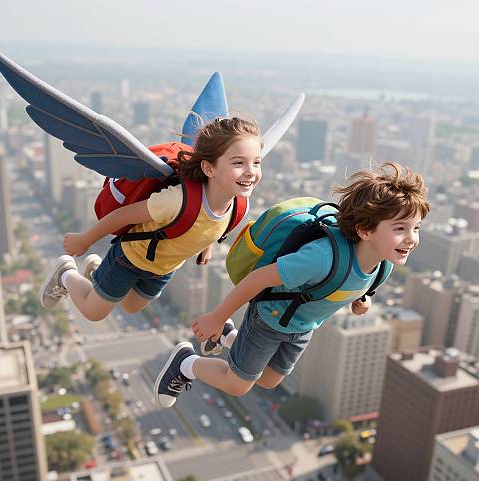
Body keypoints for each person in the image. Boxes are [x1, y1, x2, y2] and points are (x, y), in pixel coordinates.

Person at [154, 163, 430, 407]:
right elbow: (257, 279)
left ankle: (229, 337)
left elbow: (358, 286)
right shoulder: (320, 259)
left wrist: (362, 301)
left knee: (270, 380)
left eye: (415, 228)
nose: (411, 239)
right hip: (270, 318)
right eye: (399, 228)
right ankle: (186, 364)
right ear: (365, 230)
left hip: (301, 328)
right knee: (238, 384)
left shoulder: (384, 263)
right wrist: (217, 316)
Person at [39, 117, 262, 321]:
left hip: (164, 267)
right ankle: (66, 273)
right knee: (93, 312)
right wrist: (85, 240)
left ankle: (97, 274)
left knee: (132, 306)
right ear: (208, 168)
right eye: (238, 163)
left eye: (256, 162)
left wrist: (207, 245)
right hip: (130, 258)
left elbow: (210, 223)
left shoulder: (238, 204)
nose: (251, 171)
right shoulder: (176, 201)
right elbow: (122, 215)